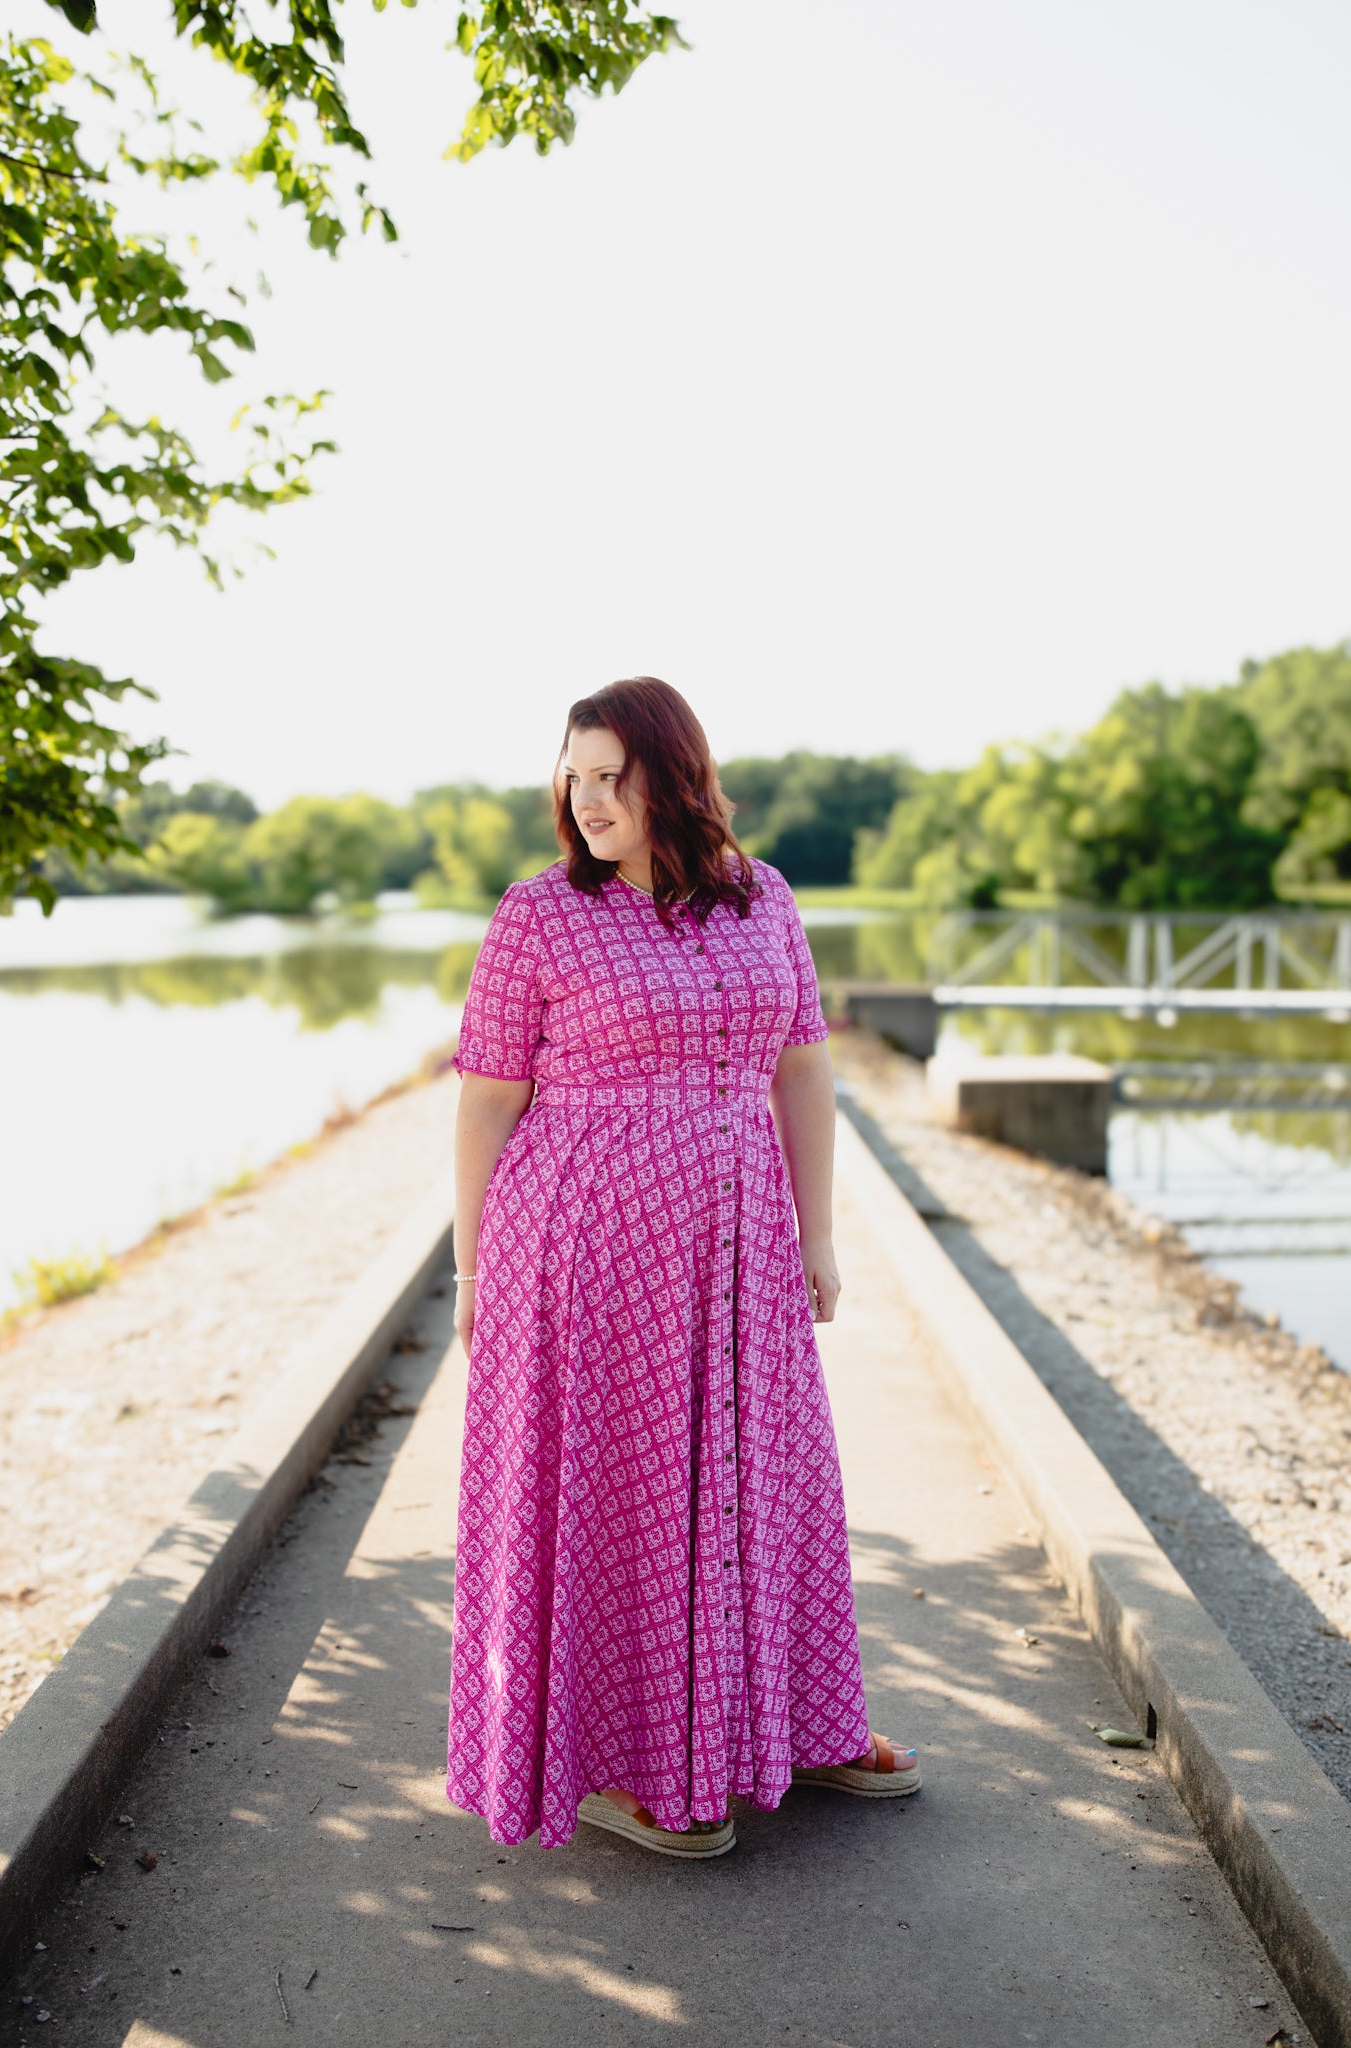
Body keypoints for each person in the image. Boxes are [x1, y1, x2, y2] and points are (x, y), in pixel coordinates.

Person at [445, 676, 919, 1859]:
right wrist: (470, 1274)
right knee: (624, 1496)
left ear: (675, 772)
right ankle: (625, 1764)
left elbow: (803, 1070)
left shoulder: (765, 901)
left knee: (773, 1471)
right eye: (576, 774)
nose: (589, 796)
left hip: (744, 1234)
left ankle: (803, 1722)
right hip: (587, 1248)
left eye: (614, 773)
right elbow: (487, 1102)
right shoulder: (539, 913)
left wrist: (816, 1232)